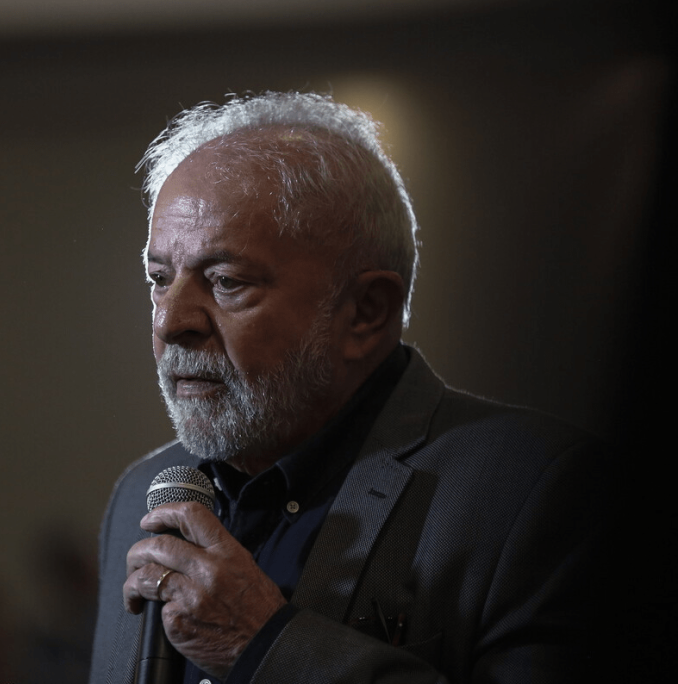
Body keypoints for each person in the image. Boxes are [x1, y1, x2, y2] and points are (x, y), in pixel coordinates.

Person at [88, 92, 610, 684]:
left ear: (366, 311)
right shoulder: (139, 498)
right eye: (159, 278)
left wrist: (264, 646)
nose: (169, 321)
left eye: (226, 281)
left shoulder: (533, 491)